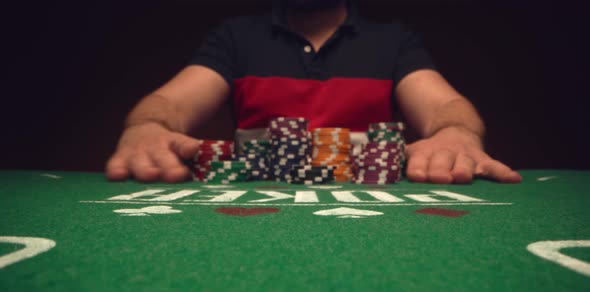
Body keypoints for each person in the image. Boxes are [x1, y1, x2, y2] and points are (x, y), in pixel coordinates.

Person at [106, 0, 522, 184]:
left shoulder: (393, 39)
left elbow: (446, 106)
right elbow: (172, 103)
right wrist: (148, 124)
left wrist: (458, 133)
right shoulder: (236, 36)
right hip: (255, 212)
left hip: (374, 215)